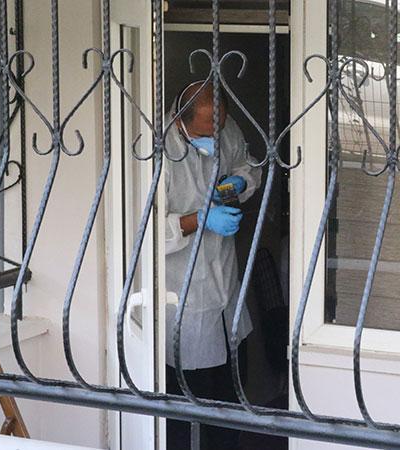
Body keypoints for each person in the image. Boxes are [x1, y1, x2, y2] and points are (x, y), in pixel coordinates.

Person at [163, 81, 262, 450]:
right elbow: (144, 232)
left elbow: (248, 166)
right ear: (181, 121)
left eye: (219, 128)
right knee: (188, 414)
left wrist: (238, 182)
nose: (214, 137)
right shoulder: (158, 153)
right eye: (206, 132)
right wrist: (200, 219)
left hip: (226, 290)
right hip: (184, 299)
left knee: (231, 401)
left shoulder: (223, 126)